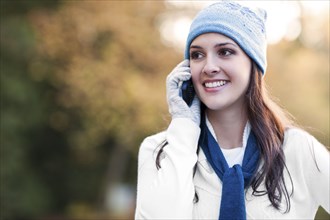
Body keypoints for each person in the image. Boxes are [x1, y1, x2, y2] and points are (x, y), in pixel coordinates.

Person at [135, 1, 330, 219]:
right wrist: (183, 126)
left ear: (253, 62)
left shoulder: (297, 150)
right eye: (197, 55)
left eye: (225, 52)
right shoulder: (158, 151)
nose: (209, 67)